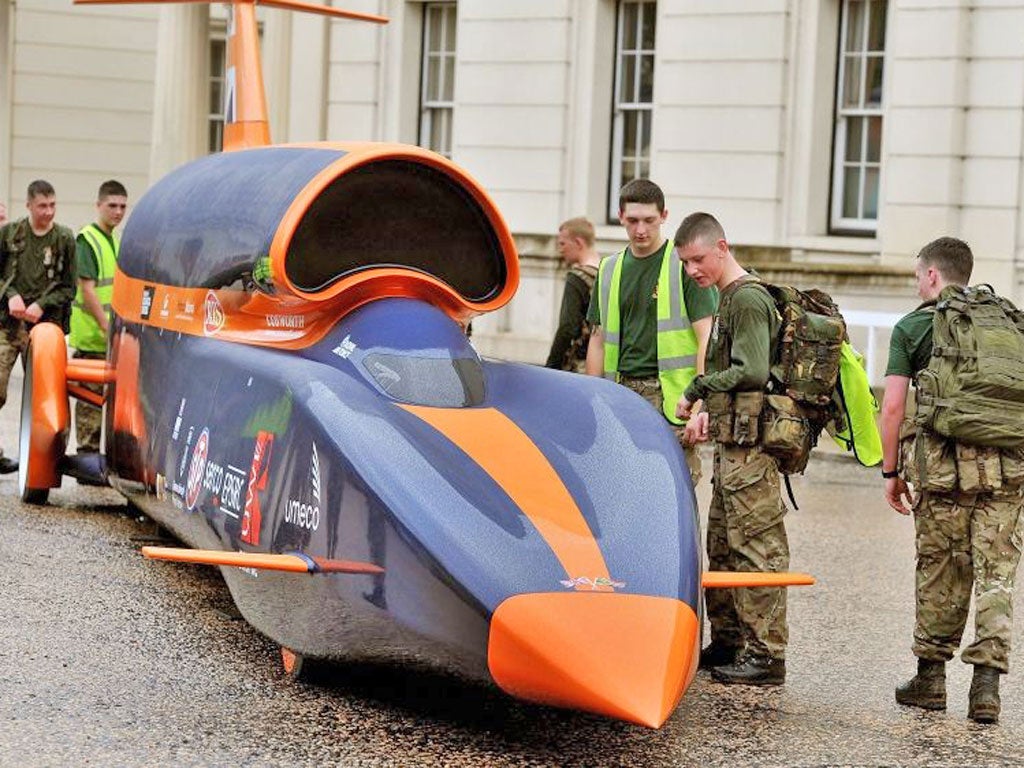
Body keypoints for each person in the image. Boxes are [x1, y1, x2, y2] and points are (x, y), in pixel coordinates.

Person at [880, 237, 1022, 723]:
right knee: (996, 577)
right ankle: (986, 690)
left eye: (919, 275)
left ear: (933, 276)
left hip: (942, 475)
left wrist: (891, 472)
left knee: (941, 567)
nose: (919, 283)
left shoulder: (914, 326)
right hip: (1006, 474)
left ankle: (931, 679)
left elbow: (893, 407)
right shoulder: (1006, 323)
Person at [676, 212, 789, 686]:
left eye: (698, 259)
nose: (692, 271)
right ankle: (728, 641)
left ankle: (767, 656)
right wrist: (710, 410)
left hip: (753, 452)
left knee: (757, 547)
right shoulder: (727, 299)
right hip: (731, 446)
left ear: (722, 247)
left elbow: (752, 370)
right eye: (685, 263)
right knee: (721, 545)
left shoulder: (746, 299)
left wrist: (698, 387)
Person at [585, 180, 716, 486]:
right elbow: (598, 340)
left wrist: (700, 404)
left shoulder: (684, 265)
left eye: (649, 220)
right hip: (620, 397)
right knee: (620, 490)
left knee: (671, 493)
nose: (640, 229)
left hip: (673, 401)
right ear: (620, 217)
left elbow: (706, 337)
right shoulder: (608, 269)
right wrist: (591, 401)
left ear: (664, 216)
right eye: (632, 221)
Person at [0, 180, 77, 474]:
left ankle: (41, 462)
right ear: (29, 205)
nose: (48, 211)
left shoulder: (64, 239)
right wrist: (11, 295)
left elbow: (69, 287)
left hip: (45, 329)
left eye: (52, 205)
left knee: (44, 396)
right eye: (42, 206)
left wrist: (42, 304)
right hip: (8, 325)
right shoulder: (10, 235)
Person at [70, 180, 128, 455]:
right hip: (95, 336)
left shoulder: (114, 240)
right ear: (99, 206)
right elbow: (88, 289)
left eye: (123, 206)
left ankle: (97, 455)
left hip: (108, 337)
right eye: (112, 205)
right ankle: (87, 455)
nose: (118, 212)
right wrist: (108, 327)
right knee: (90, 401)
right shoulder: (88, 239)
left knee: (105, 399)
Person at [545, 217, 600, 372]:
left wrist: (551, 366)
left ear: (578, 243)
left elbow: (568, 327)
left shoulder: (577, 278)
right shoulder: (607, 272)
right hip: (604, 363)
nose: (560, 250)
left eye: (563, 243)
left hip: (580, 365)